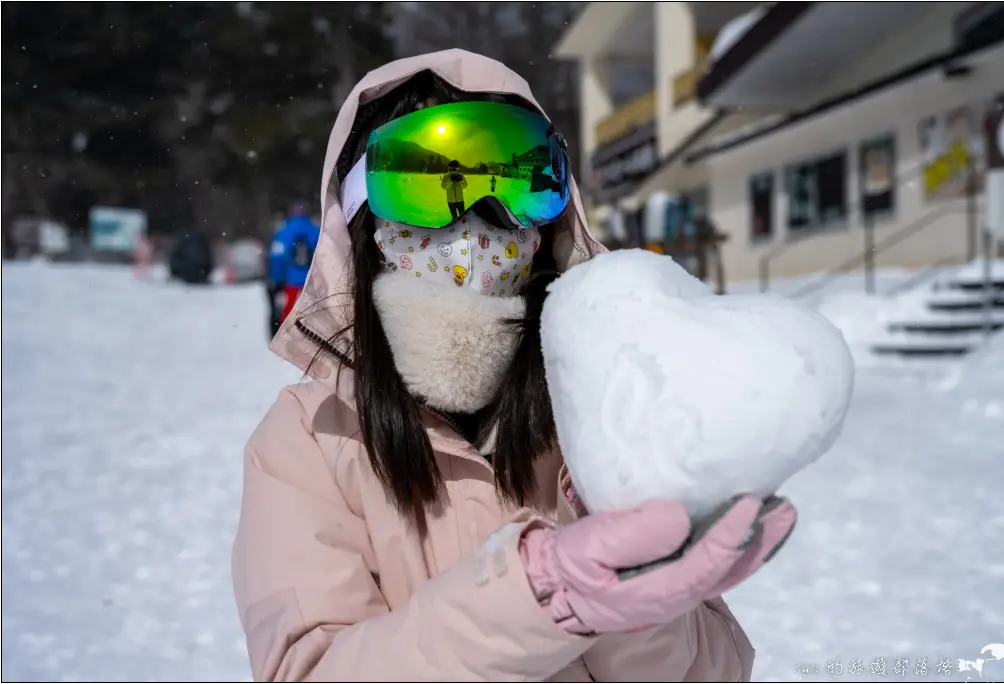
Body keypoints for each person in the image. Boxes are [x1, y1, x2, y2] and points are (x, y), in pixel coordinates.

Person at [232, 50, 798, 682]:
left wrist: (634, 608)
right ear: (362, 216)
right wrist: (542, 596)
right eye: (426, 183)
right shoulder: (308, 440)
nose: (476, 224)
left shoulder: (604, 408)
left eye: (512, 180)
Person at [266, 202, 320, 339]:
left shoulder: (284, 232)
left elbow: (277, 258)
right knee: (313, 315)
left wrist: (277, 279)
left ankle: (289, 339)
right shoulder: (316, 230)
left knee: (290, 314)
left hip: (291, 282)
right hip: (311, 283)